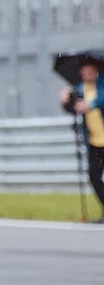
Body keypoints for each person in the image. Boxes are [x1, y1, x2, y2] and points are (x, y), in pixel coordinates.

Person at [59, 59, 104, 221]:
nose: (87, 74)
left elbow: (101, 100)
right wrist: (65, 101)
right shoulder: (79, 89)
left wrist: (90, 104)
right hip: (95, 142)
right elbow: (73, 108)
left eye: (90, 71)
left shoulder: (102, 84)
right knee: (94, 175)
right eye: (84, 71)